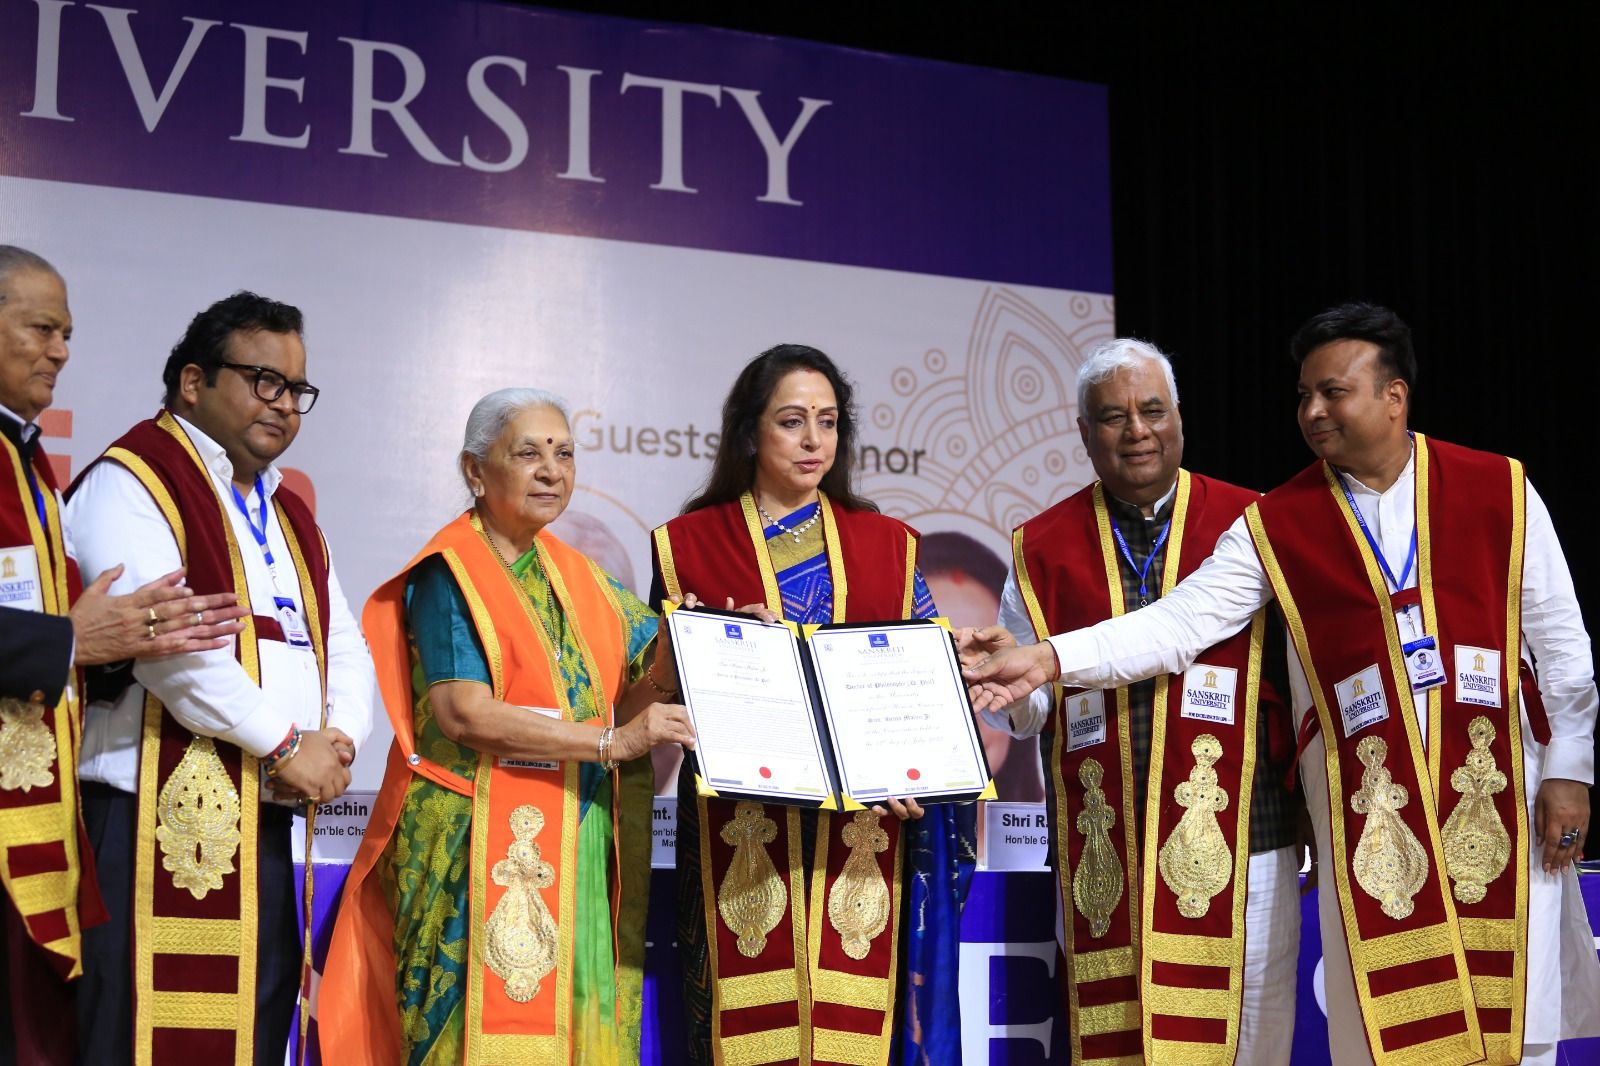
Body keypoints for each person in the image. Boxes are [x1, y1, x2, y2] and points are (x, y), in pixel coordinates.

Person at [966, 305, 1600, 1066]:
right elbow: (1178, 623)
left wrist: (1570, 769)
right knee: (1383, 1034)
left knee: (1514, 1020)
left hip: (1498, 787)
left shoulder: (1498, 488)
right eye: (1304, 395)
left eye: (1333, 393)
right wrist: (1048, 660)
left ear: (1394, 397)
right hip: (1368, 814)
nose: (1312, 412)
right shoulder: (1280, 523)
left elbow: (1561, 644)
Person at [320, 388, 695, 1064]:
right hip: (469, 841)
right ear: (474, 470)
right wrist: (609, 744)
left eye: (565, 454)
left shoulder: (581, 579)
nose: (553, 470)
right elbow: (463, 712)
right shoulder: (450, 573)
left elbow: (638, 693)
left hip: (570, 841)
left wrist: (687, 649)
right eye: (528, 453)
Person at [65, 291, 376, 1065]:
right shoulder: (132, 480)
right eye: (262, 380)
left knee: (251, 1040)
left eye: (297, 390)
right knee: (134, 1036)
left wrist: (339, 738)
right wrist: (282, 744)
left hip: (263, 821)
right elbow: (168, 647)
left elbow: (346, 643)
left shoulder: (289, 511)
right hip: (143, 822)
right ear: (194, 382)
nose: (284, 406)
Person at [650, 344, 977, 1066]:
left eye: (827, 423)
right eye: (792, 422)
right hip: (740, 830)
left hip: (862, 836)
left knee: (851, 1031)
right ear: (748, 433)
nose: (812, 441)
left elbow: (920, 685)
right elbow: (652, 696)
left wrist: (916, 773)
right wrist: (712, 644)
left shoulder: (887, 545)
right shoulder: (688, 545)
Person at [977, 338, 1300, 1063]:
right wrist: (1004, 690)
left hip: (1250, 836)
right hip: (1105, 845)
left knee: (1252, 1043)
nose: (1137, 431)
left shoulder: (1254, 522)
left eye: (1152, 410)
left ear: (1180, 417)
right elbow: (1028, 711)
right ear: (1085, 431)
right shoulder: (1042, 544)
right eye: (1113, 417)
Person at [0, 246, 243, 1065]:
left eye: (67, 332)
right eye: (42, 328)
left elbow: (66, 617)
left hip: (31, 816)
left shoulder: (26, 462)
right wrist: (72, 639)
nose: (62, 350)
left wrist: (127, 642)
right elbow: (60, 628)